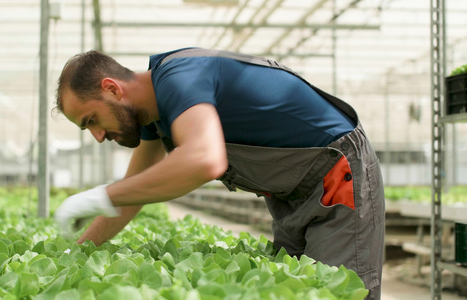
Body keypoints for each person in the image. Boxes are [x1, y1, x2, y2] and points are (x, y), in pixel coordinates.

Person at [53, 47, 385, 299]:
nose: (97, 136)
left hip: (336, 174)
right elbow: (130, 196)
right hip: (291, 195)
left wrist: (99, 196)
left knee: (339, 290)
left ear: (112, 89)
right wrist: (78, 251)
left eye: (91, 120)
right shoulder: (155, 117)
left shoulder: (178, 76)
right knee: (300, 288)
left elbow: (204, 160)